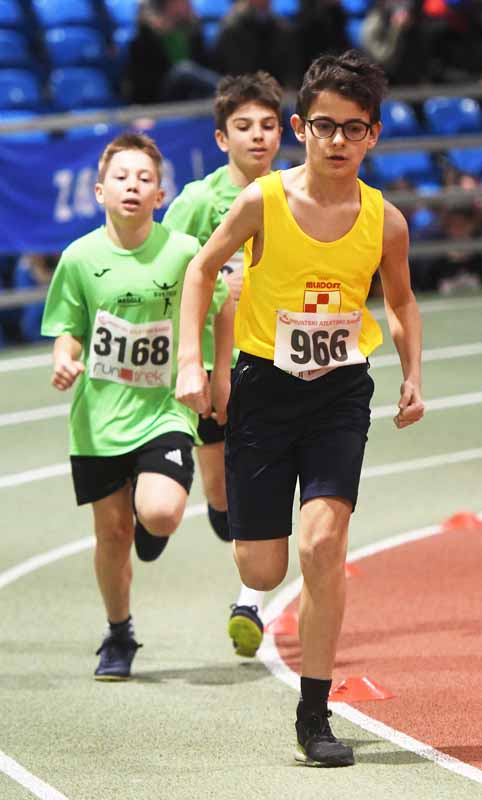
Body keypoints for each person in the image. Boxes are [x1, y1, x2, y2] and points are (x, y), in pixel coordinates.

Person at [175, 50, 424, 766]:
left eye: (353, 128)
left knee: (322, 547)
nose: (338, 141)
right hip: (263, 388)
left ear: (373, 134)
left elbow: (401, 301)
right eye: (324, 126)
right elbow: (200, 270)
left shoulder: (385, 220)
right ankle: (243, 546)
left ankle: (314, 715)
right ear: (300, 128)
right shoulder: (262, 202)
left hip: (340, 392)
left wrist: (412, 372)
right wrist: (191, 361)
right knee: (261, 570)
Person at [41, 133, 234, 681]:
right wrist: (65, 359)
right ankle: (119, 632)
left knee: (161, 513)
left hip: (164, 409)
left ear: (160, 194)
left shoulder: (183, 252)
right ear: (100, 190)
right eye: (121, 177)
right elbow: (68, 329)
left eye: (144, 178)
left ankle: (152, 515)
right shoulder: (79, 258)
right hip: (99, 419)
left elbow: (223, 306)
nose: (132, 186)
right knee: (112, 536)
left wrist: (218, 374)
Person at [162, 70, 283, 659]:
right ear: (221, 138)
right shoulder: (197, 202)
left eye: (267, 125)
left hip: (275, 361)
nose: (257, 136)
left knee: (268, 483)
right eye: (244, 126)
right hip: (215, 367)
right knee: (221, 498)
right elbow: (168, 273)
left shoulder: (294, 193)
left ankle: (249, 602)